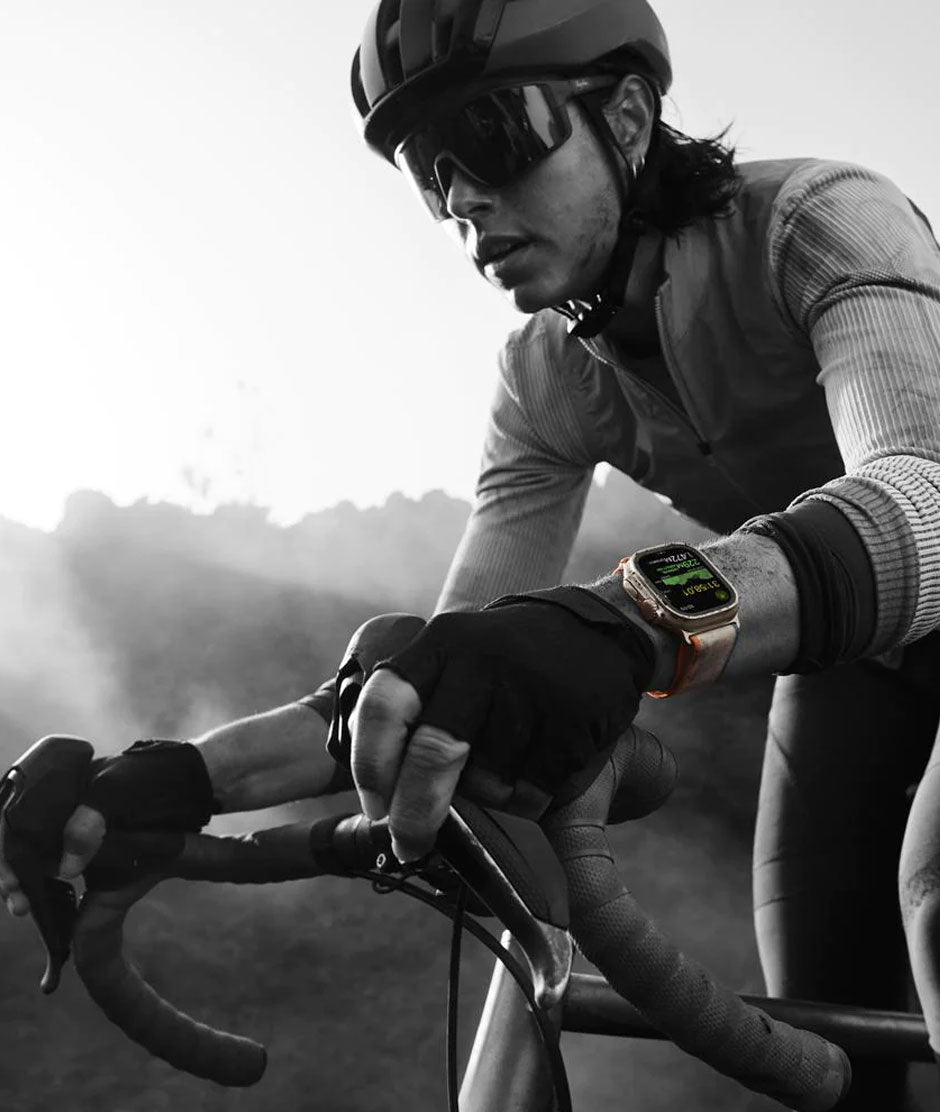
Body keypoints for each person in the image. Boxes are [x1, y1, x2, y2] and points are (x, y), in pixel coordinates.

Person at [3, 1, 940, 1107]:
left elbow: (923, 497)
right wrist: (178, 779)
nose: (461, 199)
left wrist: (620, 621)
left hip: (892, 577)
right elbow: (438, 674)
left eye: (489, 135)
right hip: (850, 651)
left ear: (627, 116)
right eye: (428, 169)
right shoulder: (545, 378)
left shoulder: (820, 220)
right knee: (837, 1031)